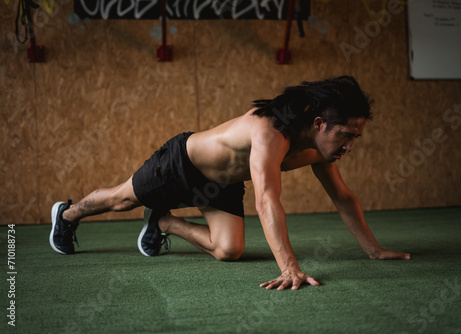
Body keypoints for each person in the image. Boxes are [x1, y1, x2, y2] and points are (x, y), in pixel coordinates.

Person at [50, 76, 410, 291]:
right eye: (345, 136)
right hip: (180, 164)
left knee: (229, 251)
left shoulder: (318, 151)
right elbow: (267, 201)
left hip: (220, 186)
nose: (348, 146)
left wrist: (374, 250)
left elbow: (343, 197)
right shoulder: (270, 132)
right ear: (319, 123)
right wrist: (289, 268)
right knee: (119, 200)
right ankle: (66, 215)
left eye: (355, 139)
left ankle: (162, 222)